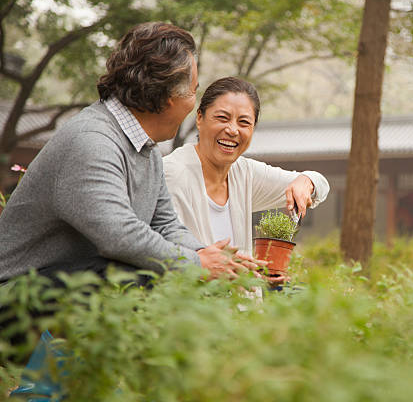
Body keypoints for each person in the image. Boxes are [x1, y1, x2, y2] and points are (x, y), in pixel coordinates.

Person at [0, 23, 261, 284]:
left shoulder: (146, 148)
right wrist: (196, 264)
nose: (193, 103)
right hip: (17, 297)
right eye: (194, 91)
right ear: (169, 96)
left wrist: (205, 254)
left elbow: (164, 224)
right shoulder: (92, 142)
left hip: (66, 287)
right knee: (136, 272)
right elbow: (120, 237)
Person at [163, 77, 329, 256]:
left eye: (244, 122)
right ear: (200, 118)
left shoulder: (245, 173)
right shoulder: (172, 173)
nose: (233, 130)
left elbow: (320, 184)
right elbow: (166, 254)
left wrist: (305, 181)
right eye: (222, 118)